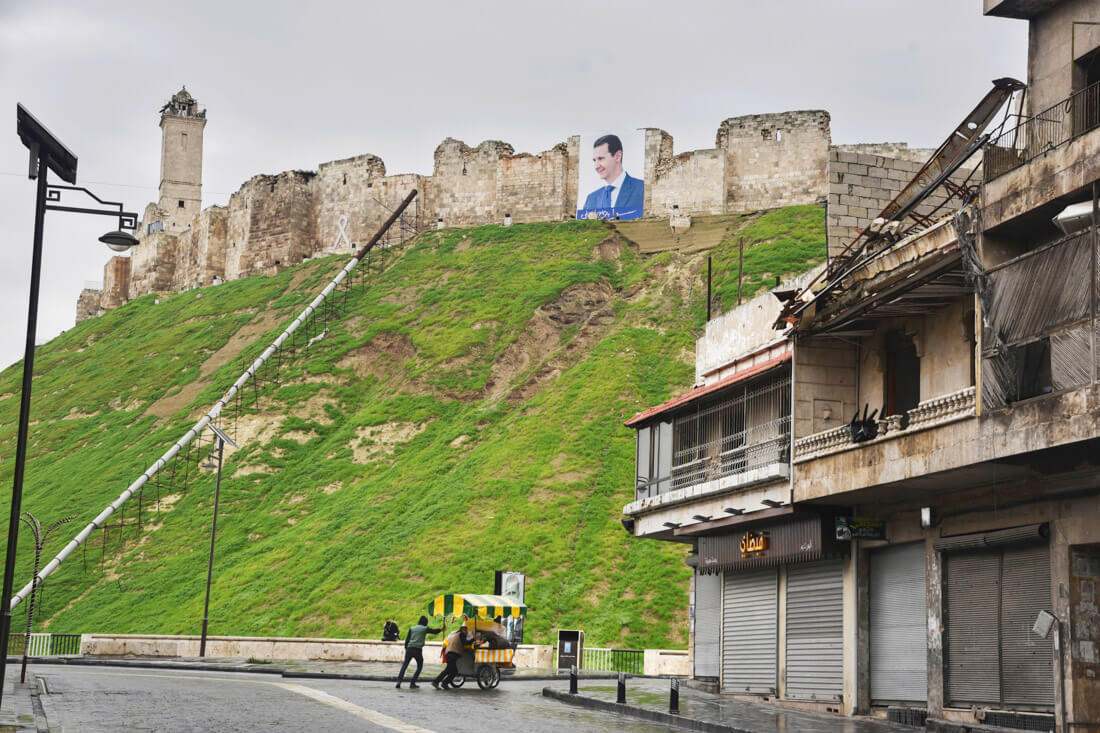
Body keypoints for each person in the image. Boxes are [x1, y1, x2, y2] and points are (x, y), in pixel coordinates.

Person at [581, 134, 644, 219]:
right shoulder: (591, 199)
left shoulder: (642, 189)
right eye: (594, 160)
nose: (596, 166)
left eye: (601, 159)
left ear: (617, 156)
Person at [395, 615, 444, 689]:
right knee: (419, 666)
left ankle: (399, 681)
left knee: (404, 665)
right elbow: (433, 631)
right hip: (418, 650)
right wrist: (441, 629)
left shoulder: (412, 628)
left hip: (409, 649)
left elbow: (407, 640)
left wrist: (406, 648)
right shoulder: (424, 628)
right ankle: (412, 683)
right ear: (425, 622)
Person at [432, 618, 473, 690]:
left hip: (449, 653)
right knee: (450, 670)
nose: (466, 632)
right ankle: (438, 682)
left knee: (451, 670)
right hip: (452, 654)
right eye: (465, 630)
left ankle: (443, 683)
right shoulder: (461, 635)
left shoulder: (456, 634)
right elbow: (465, 643)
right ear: (463, 629)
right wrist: (473, 639)